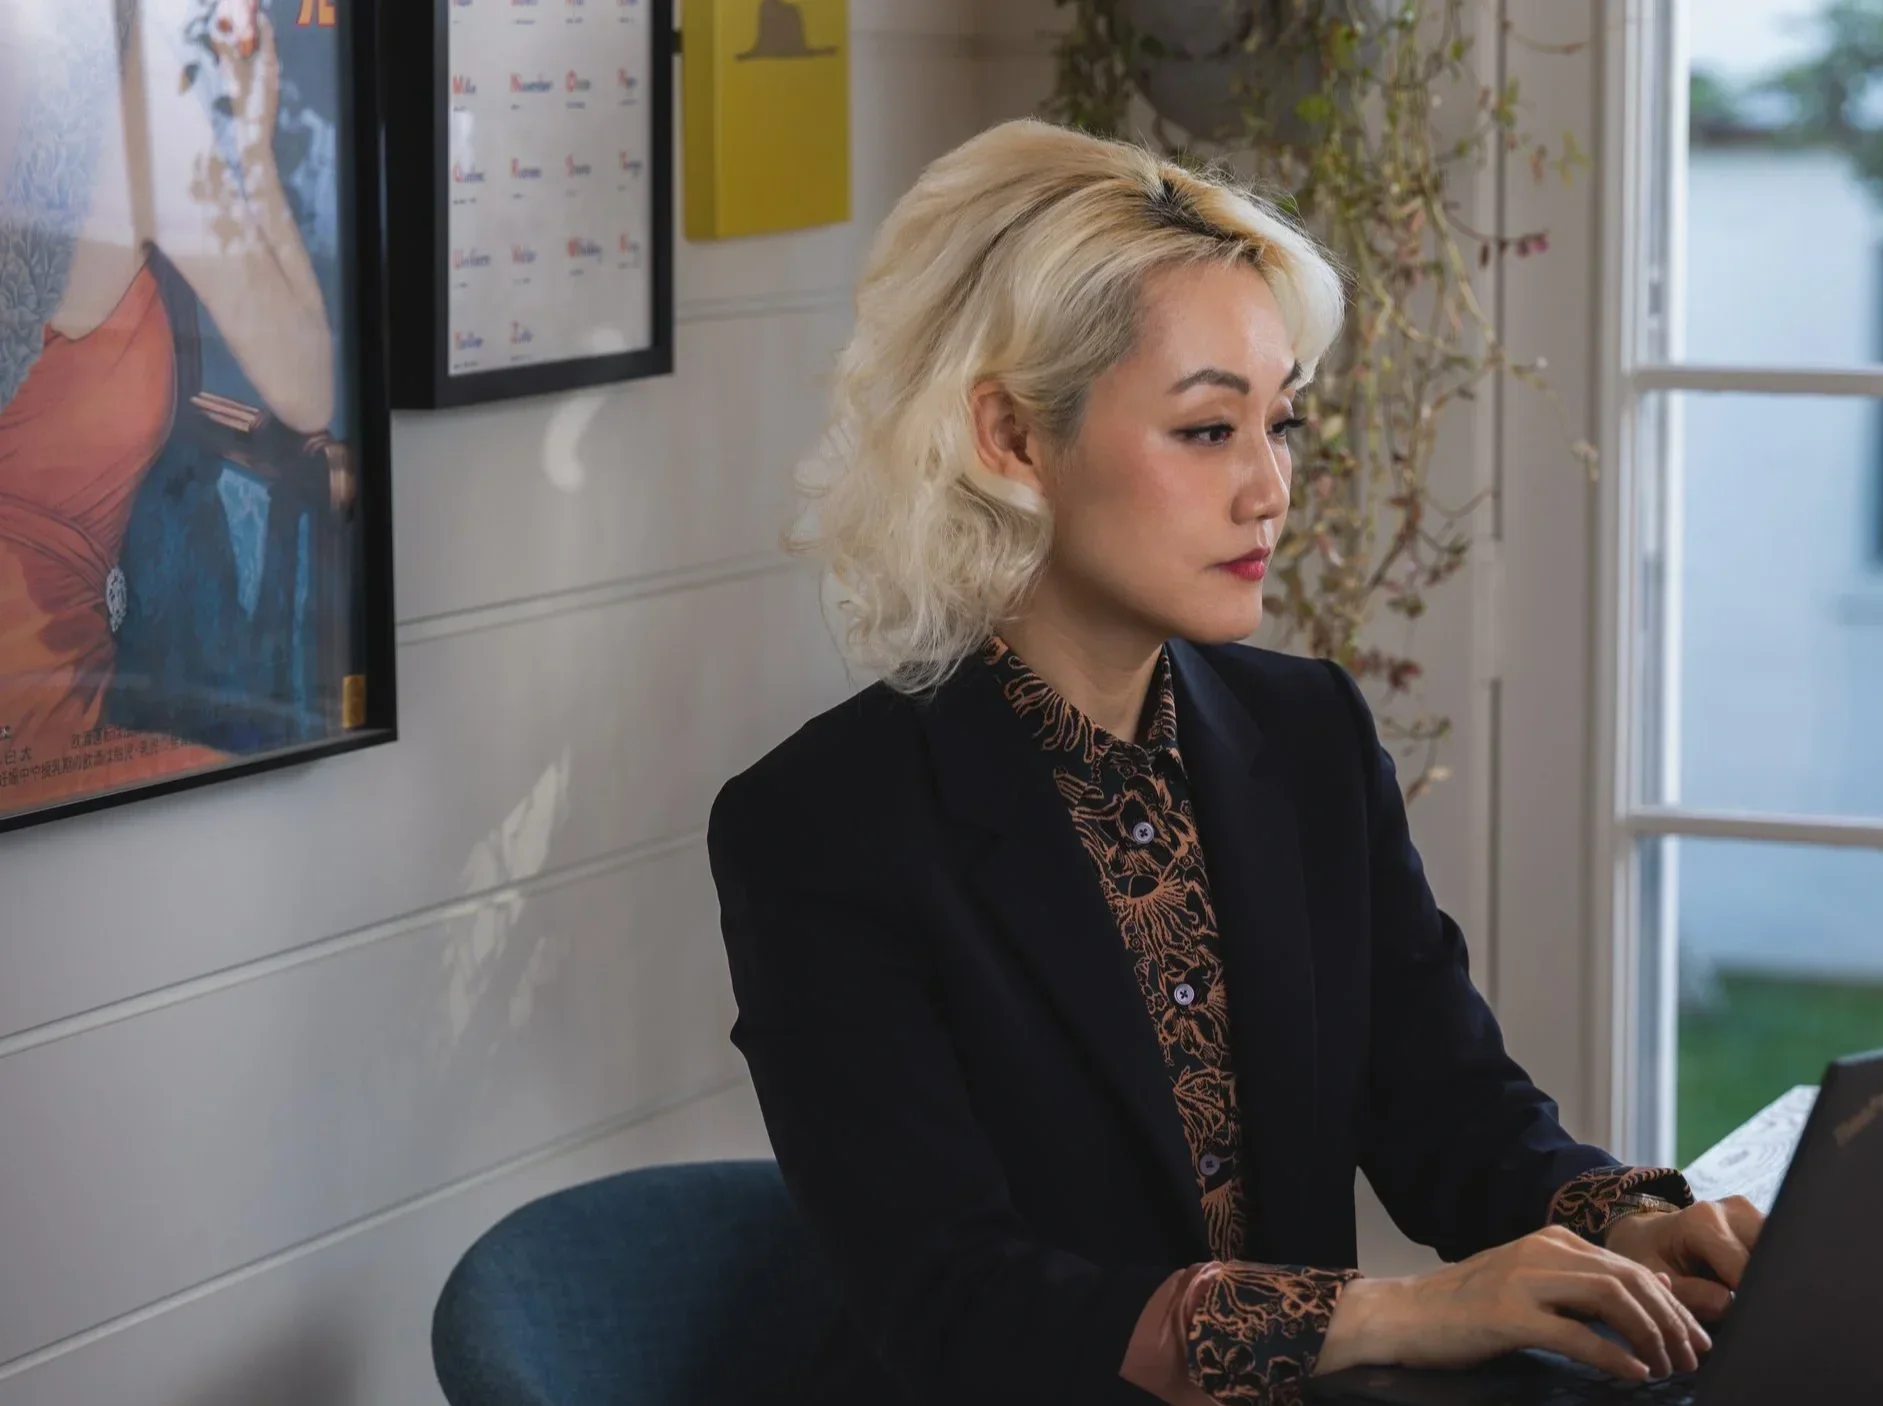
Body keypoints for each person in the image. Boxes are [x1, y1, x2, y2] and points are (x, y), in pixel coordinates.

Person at [707, 118, 1761, 1406]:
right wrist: (1401, 1311)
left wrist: (1631, 1225)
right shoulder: (822, 825)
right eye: (1208, 430)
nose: (1270, 489)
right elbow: (956, 1303)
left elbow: (1449, 1107)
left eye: (1282, 425)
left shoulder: (1305, 731)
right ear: (1010, 439)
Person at [0, 0, 342, 811]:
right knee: (278, 823)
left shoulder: (77, 119)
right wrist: (249, 165)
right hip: (33, 713)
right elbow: (308, 386)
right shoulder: (141, 126)